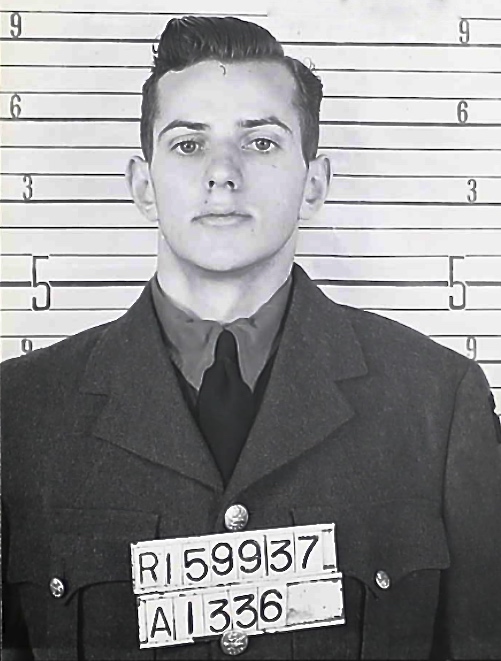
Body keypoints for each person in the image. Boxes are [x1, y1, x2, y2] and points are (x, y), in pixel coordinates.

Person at [2, 15, 501, 661]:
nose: (222, 173)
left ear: (314, 184)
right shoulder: (20, 411)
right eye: (188, 144)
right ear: (142, 186)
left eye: (260, 142)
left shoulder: (437, 401)